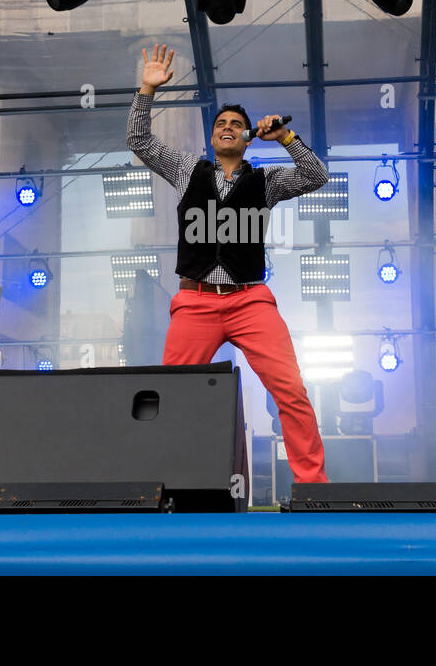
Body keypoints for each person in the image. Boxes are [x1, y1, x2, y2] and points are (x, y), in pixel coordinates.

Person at [128, 43, 329, 484]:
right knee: (171, 396)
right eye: (220, 124)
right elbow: (138, 141)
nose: (228, 128)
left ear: (246, 137)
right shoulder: (187, 170)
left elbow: (317, 176)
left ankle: (314, 486)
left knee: (291, 391)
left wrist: (288, 139)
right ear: (211, 137)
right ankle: (162, 483)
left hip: (250, 300)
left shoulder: (267, 180)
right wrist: (147, 88)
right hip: (195, 300)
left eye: (236, 124)